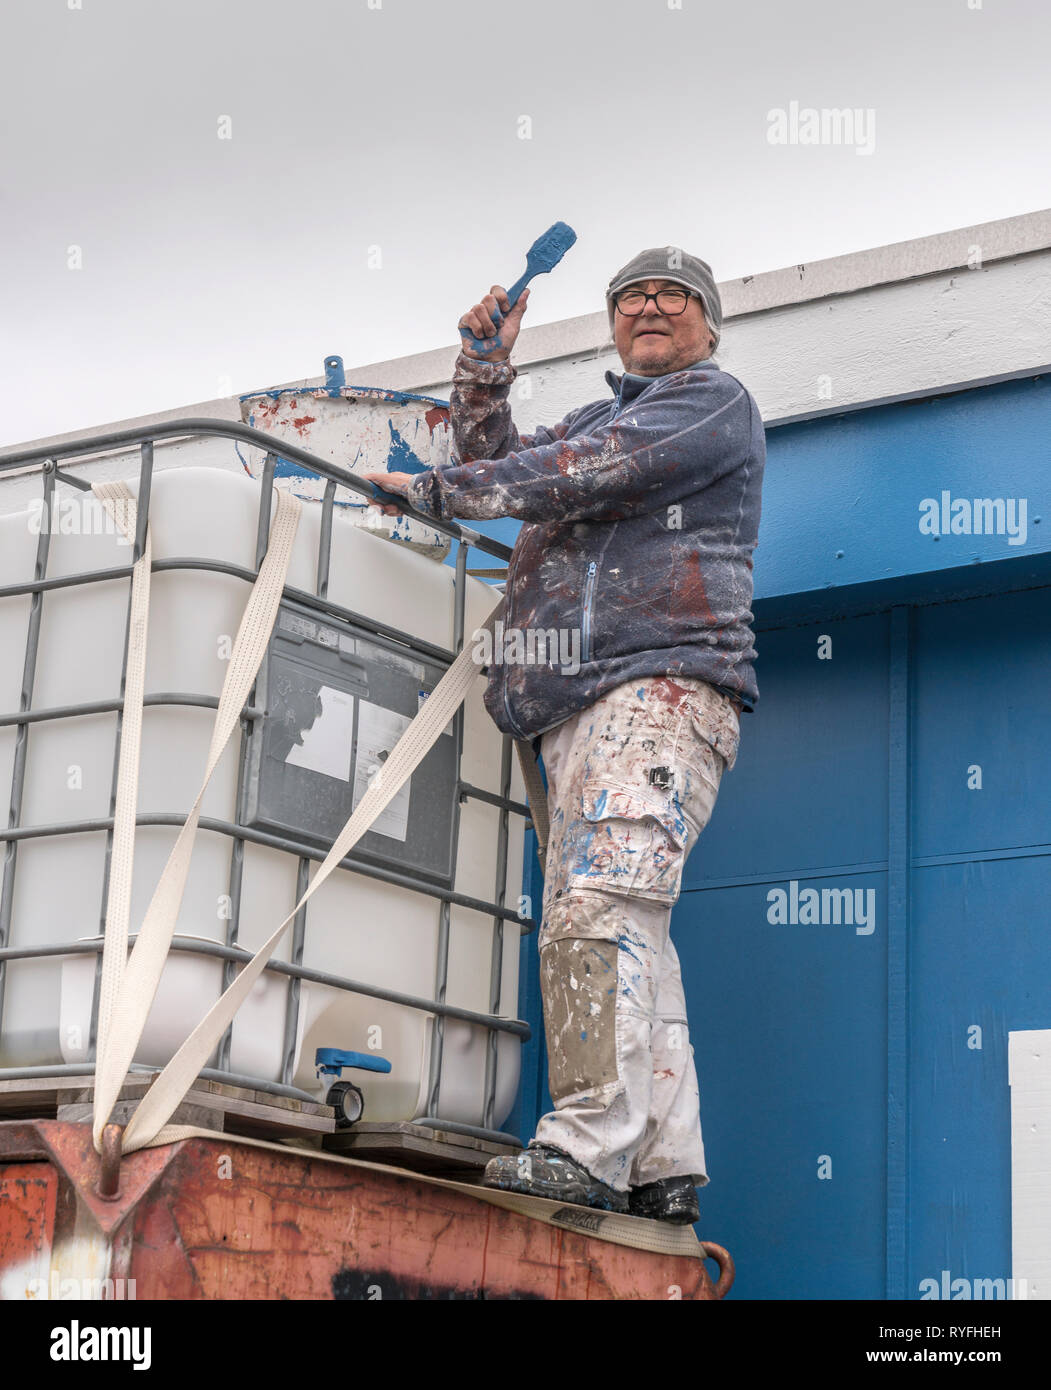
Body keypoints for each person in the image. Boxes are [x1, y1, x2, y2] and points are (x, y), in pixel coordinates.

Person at [363, 247, 765, 1223]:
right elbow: (497, 458)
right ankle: (664, 1165)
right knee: (631, 926)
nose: (650, 307)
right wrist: (482, 373)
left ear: (708, 324)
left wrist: (434, 495)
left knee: (595, 913)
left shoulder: (708, 402)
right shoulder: (603, 415)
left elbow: (563, 476)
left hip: (655, 687)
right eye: (630, 297)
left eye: (674, 296)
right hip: (590, 704)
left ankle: (587, 1149)